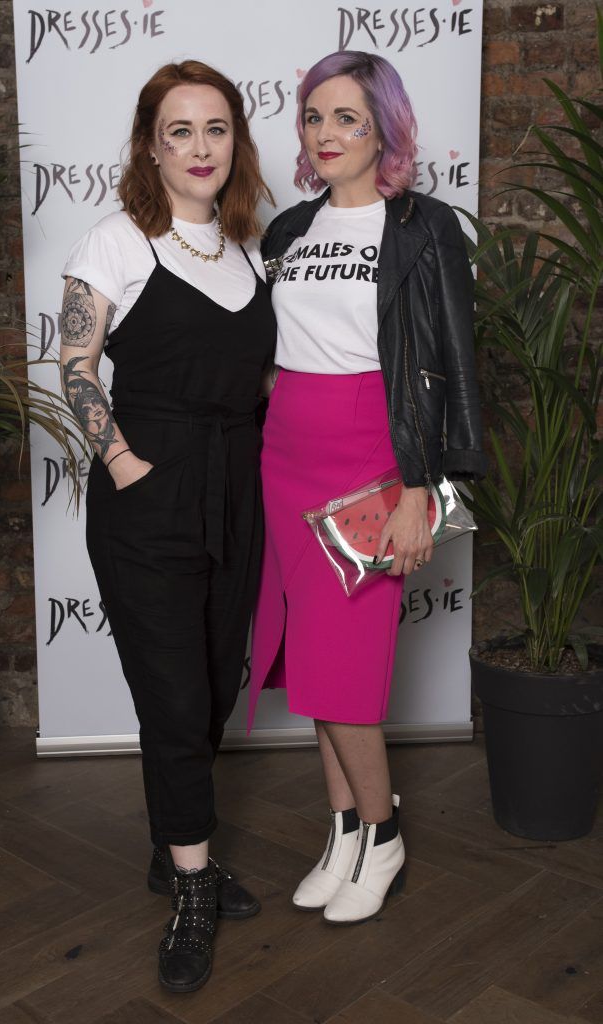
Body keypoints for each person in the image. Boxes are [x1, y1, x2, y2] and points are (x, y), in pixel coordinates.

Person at [249, 50, 486, 925]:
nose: (328, 133)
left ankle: (382, 835)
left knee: (344, 668)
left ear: (383, 125)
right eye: (315, 117)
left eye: (347, 116)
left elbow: (457, 364)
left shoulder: (423, 229)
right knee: (311, 661)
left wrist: (423, 487)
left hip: (372, 459)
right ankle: (343, 826)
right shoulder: (288, 231)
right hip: (285, 457)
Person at [60, 60, 275, 993]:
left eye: (216, 129)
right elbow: (72, 363)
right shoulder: (120, 241)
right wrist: (121, 462)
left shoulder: (248, 252)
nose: (200, 148)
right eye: (180, 130)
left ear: (237, 143)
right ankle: (192, 884)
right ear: (153, 144)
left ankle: (169, 847)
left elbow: (263, 382)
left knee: (220, 678)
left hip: (239, 490)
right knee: (174, 697)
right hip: (147, 492)